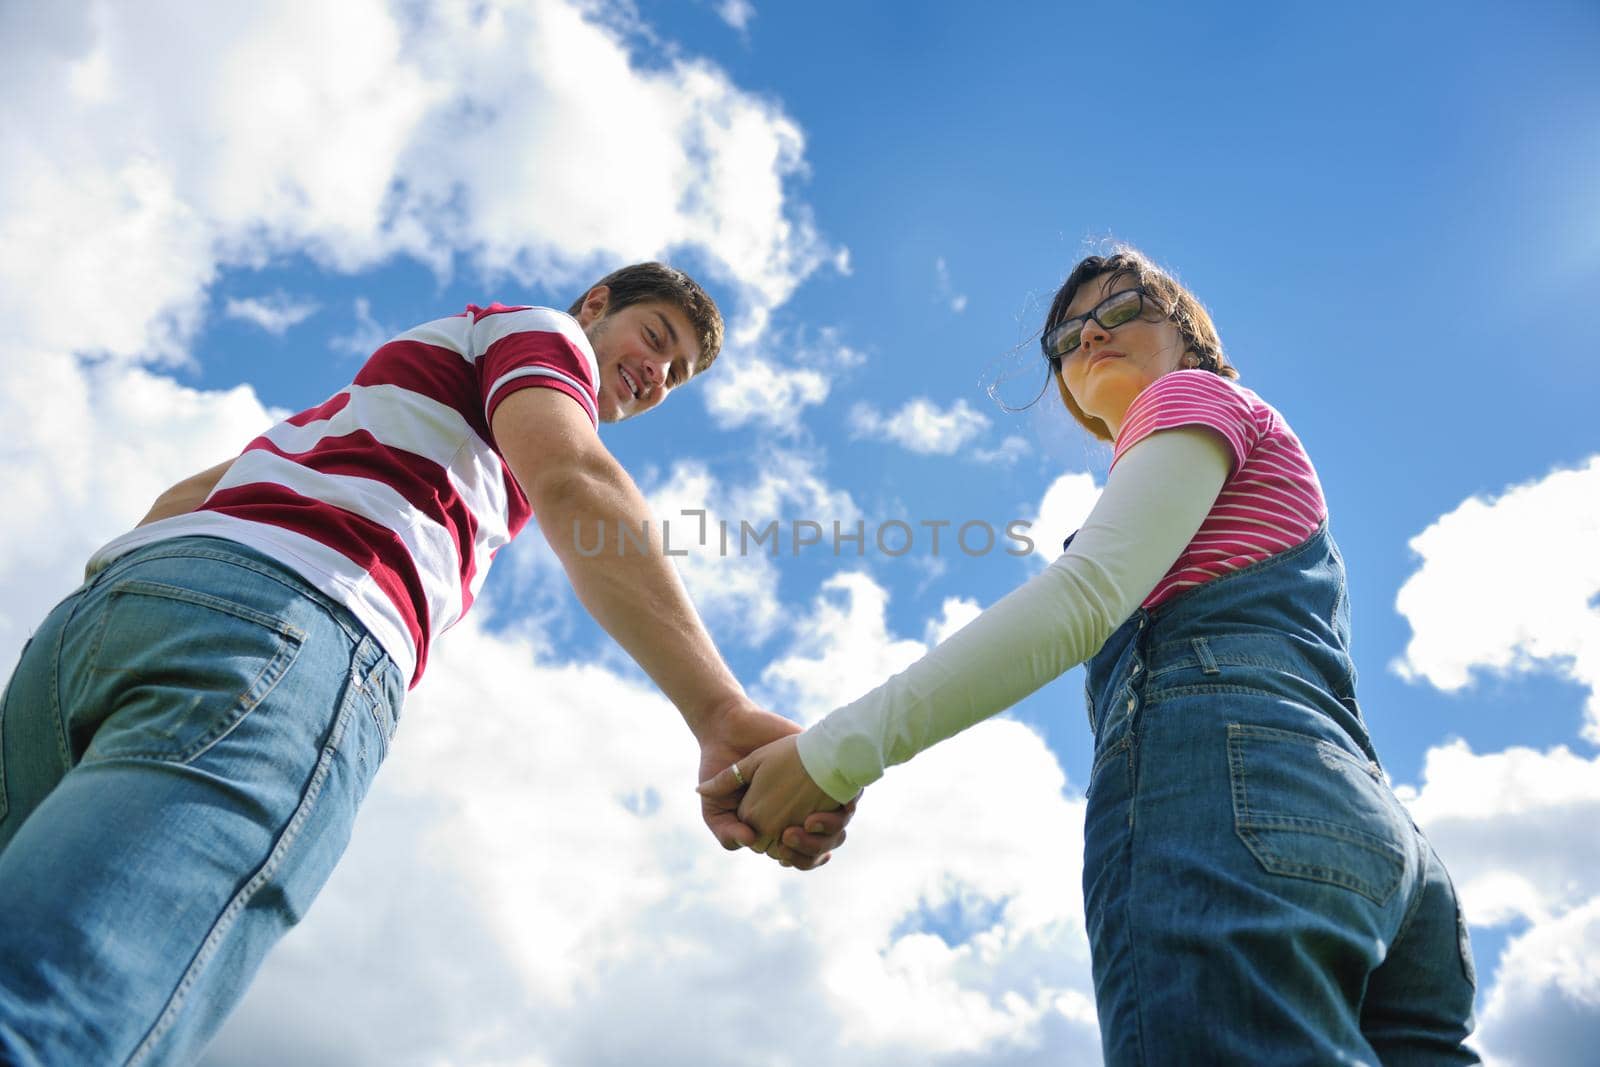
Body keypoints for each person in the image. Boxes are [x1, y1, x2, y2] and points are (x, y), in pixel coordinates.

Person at [0, 262, 852, 1066]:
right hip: (289, 623)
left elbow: (182, 502)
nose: (659, 374)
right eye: (656, 337)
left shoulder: (365, 409)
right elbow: (574, 479)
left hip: (94, 632)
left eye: (679, 375)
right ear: (595, 304)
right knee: (52, 1017)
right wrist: (718, 712)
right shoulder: (541, 335)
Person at [705, 247, 1480, 1064]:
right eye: (1067, 335)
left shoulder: (1192, 396)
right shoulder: (1238, 468)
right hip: (1379, 843)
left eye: (1122, 311)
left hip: (1241, 799)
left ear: (1189, 337)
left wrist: (831, 755)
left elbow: (1084, 598)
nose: (1090, 337)